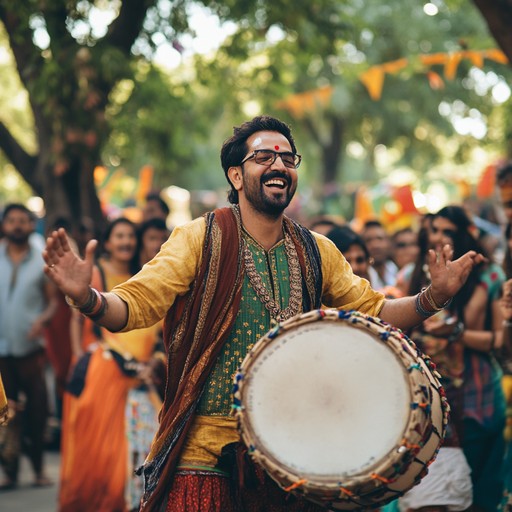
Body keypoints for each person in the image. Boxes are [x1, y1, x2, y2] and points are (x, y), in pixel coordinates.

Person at [44, 116, 484, 512]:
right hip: (206, 451)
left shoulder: (318, 250)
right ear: (236, 175)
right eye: (263, 157)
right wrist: (88, 298)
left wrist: (433, 296)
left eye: (288, 158)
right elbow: (137, 304)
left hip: (295, 452)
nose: (279, 166)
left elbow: (376, 313)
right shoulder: (199, 238)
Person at [397, 205, 506, 511]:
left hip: (477, 398)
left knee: (481, 494)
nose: (440, 237)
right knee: (434, 496)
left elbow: (499, 341)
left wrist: (456, 332)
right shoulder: (413, 274)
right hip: (426, 400)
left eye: (448, 230)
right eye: (435, 230)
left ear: (465, 233)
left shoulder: (488, 276)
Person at [59, 217, 164, 512]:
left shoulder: (141, 275)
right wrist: (79, 355)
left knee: (133, 450)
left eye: (130, 236)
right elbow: (77, 316)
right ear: (107, 242)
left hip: (139, 377)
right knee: (102, 451)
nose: (126, 242)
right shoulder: (96, 273)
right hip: (103, 371)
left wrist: (153, 362)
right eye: (119, 236)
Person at [0, 203, 58, 490]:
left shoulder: (41, 260)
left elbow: (53, 303)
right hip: (1, 352)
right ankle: (9, 472)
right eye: (12, 220)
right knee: (3, 413)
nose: (17, 225)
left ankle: (37, 469)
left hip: (31, 349)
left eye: (22, 220)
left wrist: (42, 321)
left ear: (30, 224)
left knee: (36, 411)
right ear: (4, 225)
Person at [361, 219, 399, 290]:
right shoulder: (361, 274)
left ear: (388, 242)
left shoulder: (393, 268)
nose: (375, 245)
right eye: (368, 240)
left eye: (380, 238)